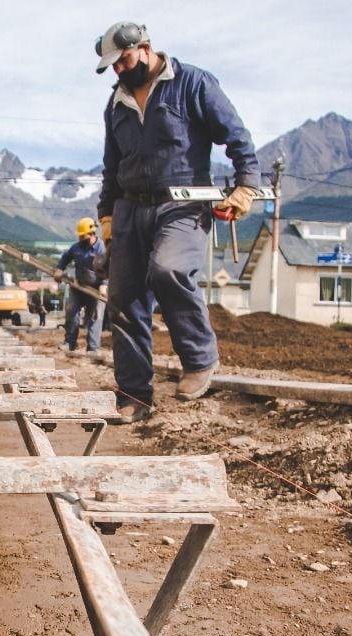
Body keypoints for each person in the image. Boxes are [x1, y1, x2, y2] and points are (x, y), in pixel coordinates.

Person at [93, 21, 259, 423]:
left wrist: (246, 185)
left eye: (124, 60)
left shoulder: (193, 84)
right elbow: (112, 169)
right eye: (112, 66)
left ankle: (199, 358)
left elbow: (236, 136)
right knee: (124, 300)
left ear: (145, 48)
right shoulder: (115, 105)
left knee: (169, 270)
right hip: (130, 207)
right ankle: (134, 397)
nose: (119, 70)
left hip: (183, 202)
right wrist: (108, 219)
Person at [54, 216, 106, 352]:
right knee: (71, 311)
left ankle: (93, 348)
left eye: (83, 236)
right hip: (78, 286)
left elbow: (110, 268)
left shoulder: (102, 249)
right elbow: (65, 258)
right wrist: (60, 269)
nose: (80, 238)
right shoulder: (76, 247)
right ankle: (70, 343)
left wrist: (104, 284)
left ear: (92, 233)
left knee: (96, 316)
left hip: (96, 289)